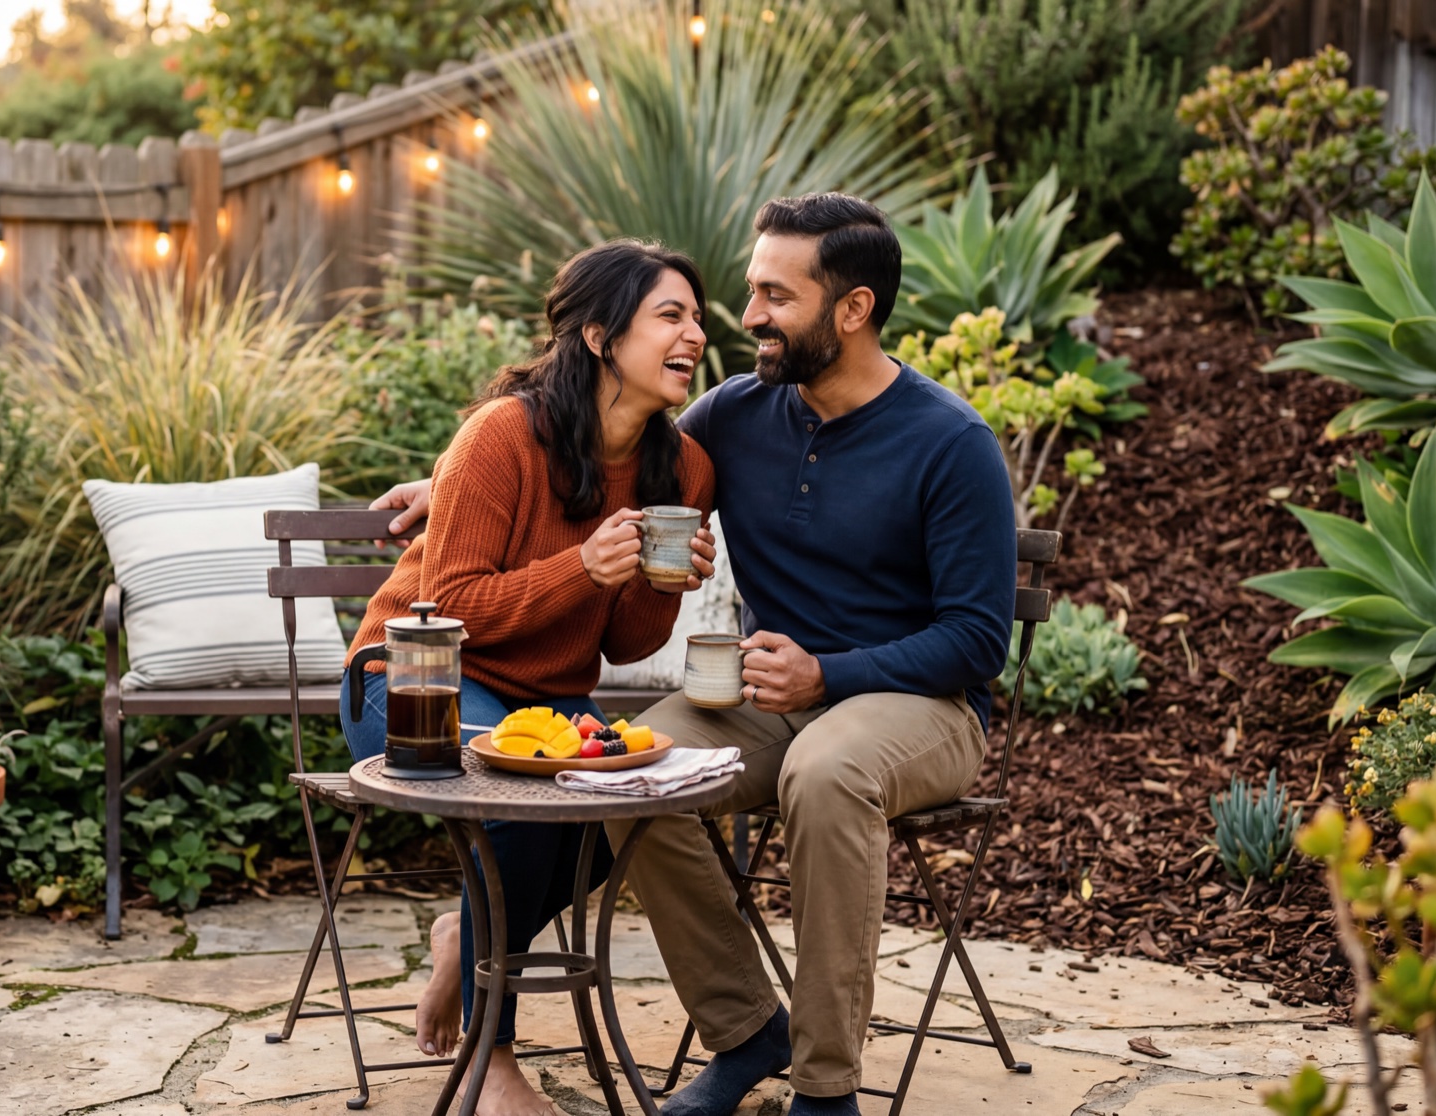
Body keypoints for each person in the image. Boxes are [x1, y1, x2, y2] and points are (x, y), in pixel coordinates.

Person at [369, 194, 1016, 1116]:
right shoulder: (739, 415)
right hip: (768, 693)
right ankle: (749, 1033)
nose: (745, 317)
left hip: (920, 703)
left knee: (828, 775)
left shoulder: (951, 443)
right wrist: (451, 483)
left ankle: (826, 1089)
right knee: (635, 768)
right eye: (750, 292)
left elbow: (977, 640)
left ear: (853, 309)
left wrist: (831, 674)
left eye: (773, 297)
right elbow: (601, 427)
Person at [341, 238, 717, 1116]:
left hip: (547, 696)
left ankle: (460, 939)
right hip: (416, 682)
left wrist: (659, 585)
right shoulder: (503, 435)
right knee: (513, 792)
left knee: (619, 805)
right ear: (598, 334)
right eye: (672, 314)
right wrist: (583, 566)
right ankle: (489, 1052)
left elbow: (626, 646)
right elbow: (451, 603)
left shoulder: (685, 468)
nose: (694, 333)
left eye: (698, 318)